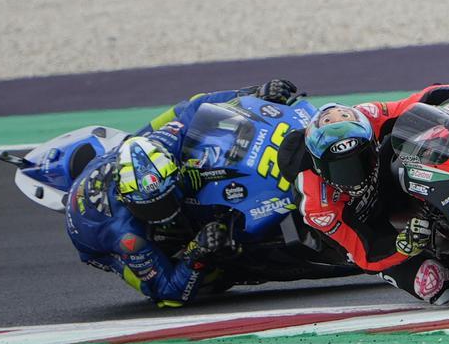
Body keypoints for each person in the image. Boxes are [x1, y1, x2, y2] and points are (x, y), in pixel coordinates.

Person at [65, 80, 300, 307]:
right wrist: (195, 253)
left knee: (192, 130)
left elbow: (198, 106)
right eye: (152, 207)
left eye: (167, 199)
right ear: (127, 200)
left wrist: (255, 92)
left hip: (127, 157)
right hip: (94, 241)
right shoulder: (124, 236)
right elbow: (169, 294)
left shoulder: (164, 142)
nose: (164, 213)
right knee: (210, 273)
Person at [276, 77, 449, 305]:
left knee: (422, 135)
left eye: (360, 159)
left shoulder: (367, 117)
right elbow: (365, 253)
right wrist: (403, 244)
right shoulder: (318, 205)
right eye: (341, 169)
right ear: (319, 166)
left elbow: (420, 102)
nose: (354, 175)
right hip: (364, 228)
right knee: (432, 284)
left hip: (385, 180)